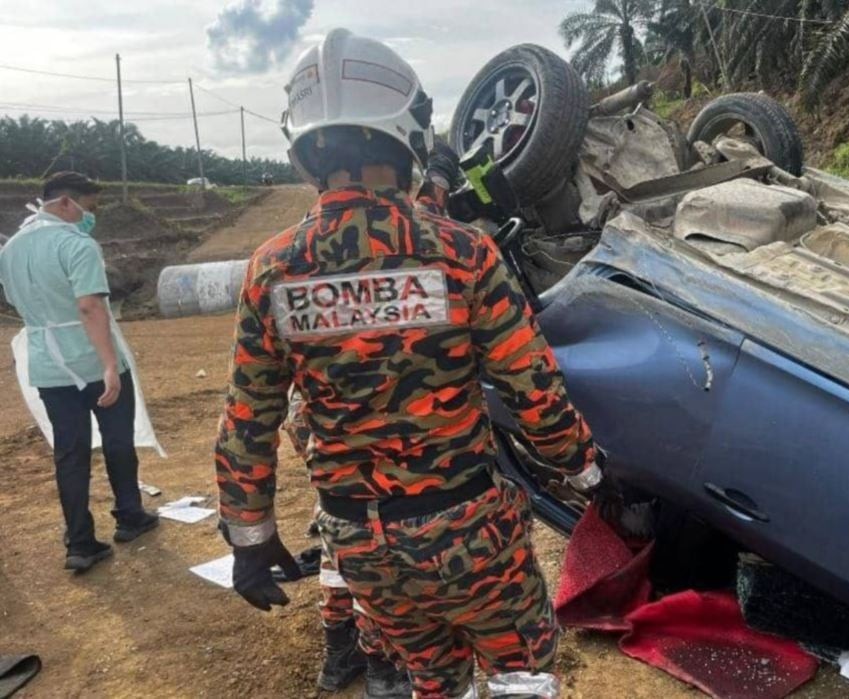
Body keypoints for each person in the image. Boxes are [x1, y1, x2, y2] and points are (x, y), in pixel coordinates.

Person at [214, 28, 603, 699]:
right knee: (520, 675)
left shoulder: (272, 271)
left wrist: (251, 535)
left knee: (433, 680)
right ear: (405, 134)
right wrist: (587, 471)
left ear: (306, 148)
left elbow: (248, 417)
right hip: (469, 530)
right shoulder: (460, 254)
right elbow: (533, 391)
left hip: (361, 546)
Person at [0, 172, 159, 573]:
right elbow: (90, 308)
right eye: (90, 208)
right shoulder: (77, 244)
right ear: (67, 203)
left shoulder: (12, 249)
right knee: (117, 438)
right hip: (90, 358)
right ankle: (129, 515)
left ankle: (80, 542)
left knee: (69, 453)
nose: (91, 217)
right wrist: (109, 365)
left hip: (48, 364)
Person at [282, 389, 410, 697]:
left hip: (312, 413)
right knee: (372, 548)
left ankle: (340, 653)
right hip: (364, 417)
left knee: (339, 528)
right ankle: (384, 671)